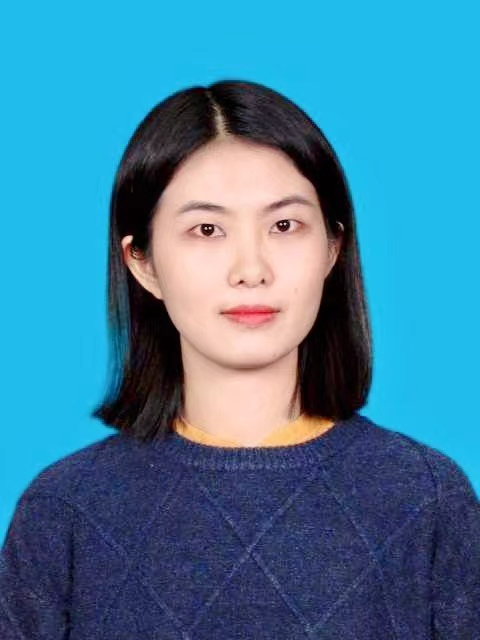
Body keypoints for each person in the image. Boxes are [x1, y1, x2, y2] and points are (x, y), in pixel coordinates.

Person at [1, 79, 479, 639]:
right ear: (142, 263)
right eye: (207, 229)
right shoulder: (65, 511)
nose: (251, 270)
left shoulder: (426, 498)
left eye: (284, 226)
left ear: (332, 248)